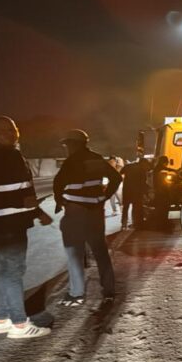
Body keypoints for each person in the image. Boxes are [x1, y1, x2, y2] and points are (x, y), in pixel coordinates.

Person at [0, 117, 52, 338]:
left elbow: (20, 192)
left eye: (12, 129)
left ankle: (0, 319)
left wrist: (37, 212)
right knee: (13, 271)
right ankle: (19, 324)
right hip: (9, 224)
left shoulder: (0, 155)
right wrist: (33, 209)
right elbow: (22, 195)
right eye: (3, 130)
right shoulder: (7, 156)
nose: (10, 133)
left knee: (7, 269)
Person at [53, 129, 122, 306]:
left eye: (68, 144)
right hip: (95, 211)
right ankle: (109, 290)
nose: (67, 148)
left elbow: (58, 184)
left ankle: (76, 293)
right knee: (100, 250)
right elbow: (116, 178)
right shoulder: (97, 159)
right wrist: (105, 196)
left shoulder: (71, 161)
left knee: (74, 252)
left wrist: (60, 201)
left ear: (74, 144)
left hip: (75, 211)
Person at [119, 155, 150, 230]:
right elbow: (143, 183)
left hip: (127, 190)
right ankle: (134, 223)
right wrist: (147, 193)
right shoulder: (142, 170)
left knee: (126, 207)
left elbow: (121, 172)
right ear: (143, 163)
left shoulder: (128, 166)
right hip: (136, 192)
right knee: (135, 207)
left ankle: (124, 223)